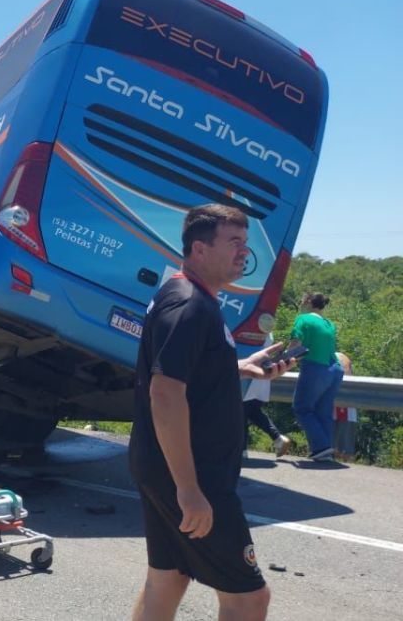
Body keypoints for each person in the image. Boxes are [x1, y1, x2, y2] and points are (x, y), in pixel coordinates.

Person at [129, 204, 294, 621]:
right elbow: (164, 393)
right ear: (200, 249)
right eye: (234, 242)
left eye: (246, 242)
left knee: (167, 579)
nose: (245, 253)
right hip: (191, 473)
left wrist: (239, 366)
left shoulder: (184, 294)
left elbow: (182, 369)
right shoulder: (190, 305)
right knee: (248, 598)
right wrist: (189, 488)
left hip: (163, 463)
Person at [288, 292, 343, 462]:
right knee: (323, 411)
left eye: (303, 300)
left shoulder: (303, 319)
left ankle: (321, 447)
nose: (301, 303)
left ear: (310, 302)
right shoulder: (329, 324)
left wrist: (282, 360)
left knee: (302, 408)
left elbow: (295, 345)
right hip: (334, 370)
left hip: (315, 368)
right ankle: (325, 452)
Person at [242, 335, 291, 457]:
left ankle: (241, 449)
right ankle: (278, 438)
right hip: (262, 377)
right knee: (252, 412)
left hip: (249, 375)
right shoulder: (267, 332)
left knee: (241, 412)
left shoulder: (250, 329)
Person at [333, 352, 358, 462]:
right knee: (344, 449)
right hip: (344, 403)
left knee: (340, 449)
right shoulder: (338, 356)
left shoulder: (336, 356)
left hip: (343, 407)